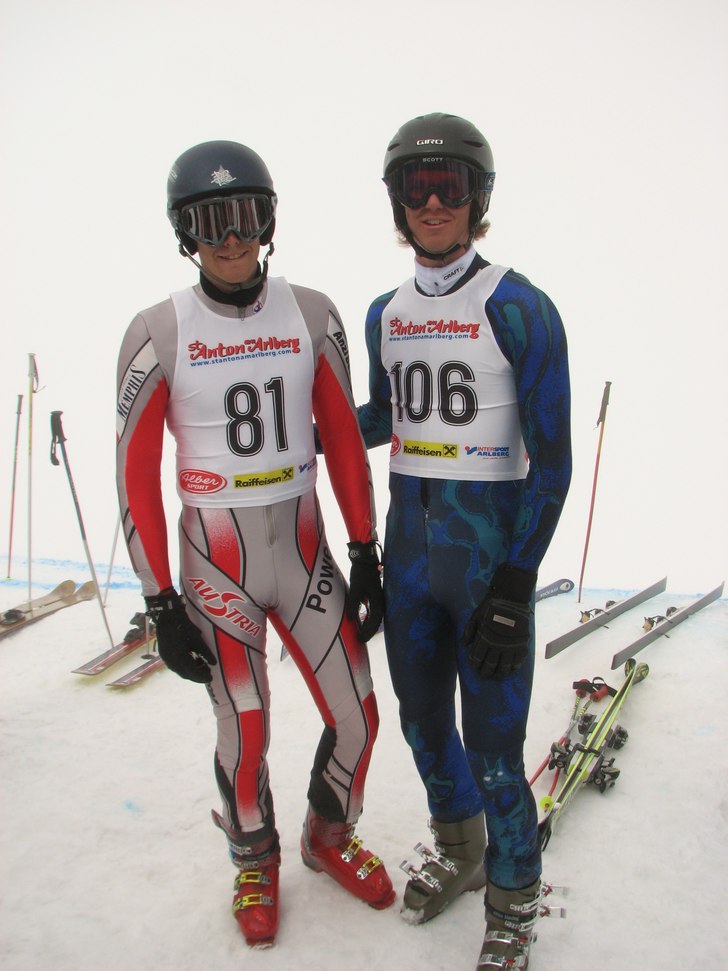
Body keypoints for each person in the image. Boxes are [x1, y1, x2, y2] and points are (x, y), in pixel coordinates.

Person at [115, 140, 394, 949]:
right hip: (216, 565)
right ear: (184, 233)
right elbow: (134, 474)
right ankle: (253, 858)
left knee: (359, 716)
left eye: (244, 215)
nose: (230, 238)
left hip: (302, 553)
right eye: (210, 222)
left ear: (269, 221)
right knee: (243, 724)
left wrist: (365, 550)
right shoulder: (156, 330)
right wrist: (159, 600)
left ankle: (326, 835)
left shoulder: (312, 312)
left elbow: (342, 438)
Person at [356, 113, 572, 969]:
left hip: (487, 569)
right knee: (420, 723)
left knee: (494, 748)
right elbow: (385, 418)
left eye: (450, 184)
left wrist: (517, 584)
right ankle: (462, 846)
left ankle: (515, 897)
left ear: (479, 197)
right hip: (411, 560)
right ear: (397, 203)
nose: (434, 201)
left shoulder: (519, 305)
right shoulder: (384, 313)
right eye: (417, 186)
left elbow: (553, 460)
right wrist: (302, 415)